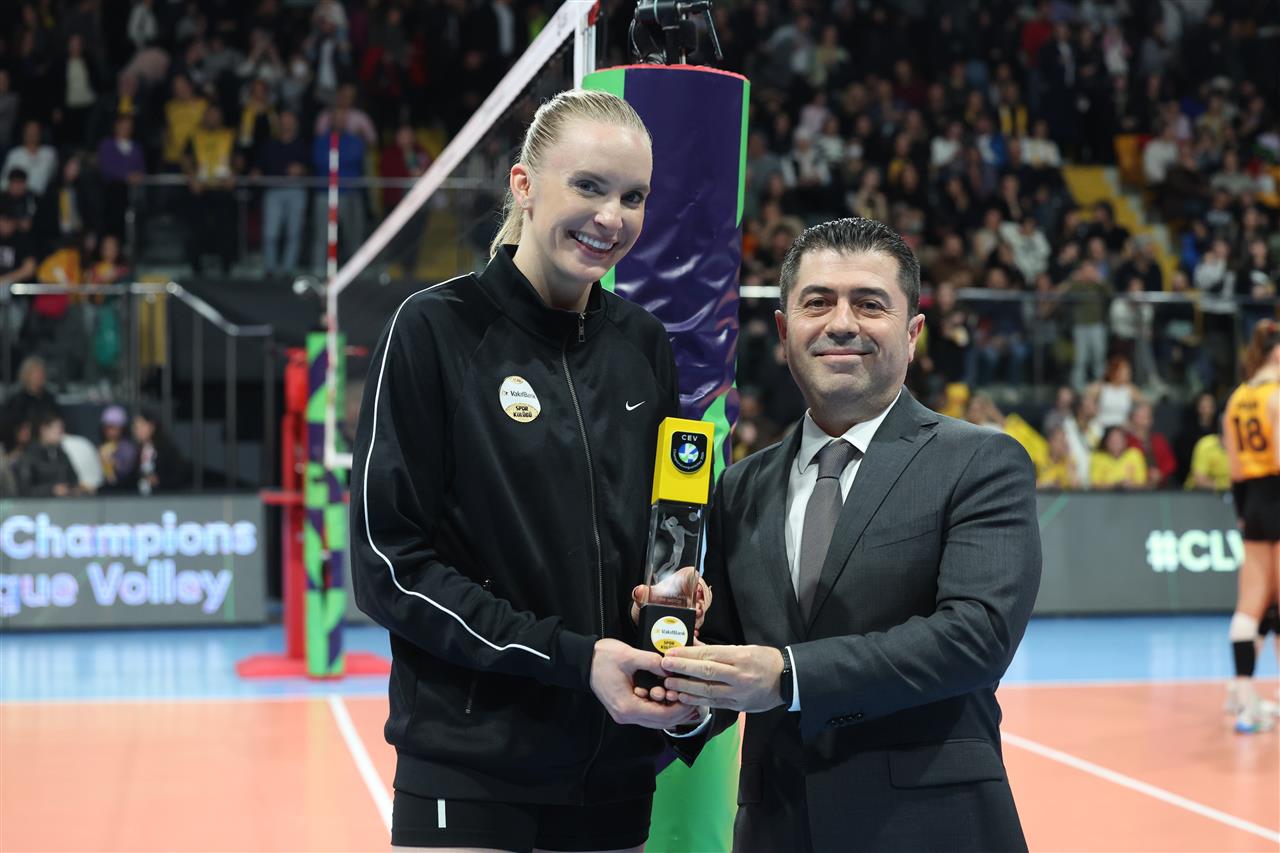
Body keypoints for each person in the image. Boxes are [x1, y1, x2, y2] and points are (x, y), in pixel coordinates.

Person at [348, 89, 702, 853]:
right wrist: (572, 658)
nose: (611, 217)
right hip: (471, 764)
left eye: (633, 197)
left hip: (612, 768)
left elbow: (661, 540)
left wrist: (676, 597)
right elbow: (390, 566)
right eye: (589, 186)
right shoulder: (434, 330)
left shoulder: (643, 345)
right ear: (524, 185)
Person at [649, 218, 1041, 852]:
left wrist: (788, 676)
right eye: (817, 302)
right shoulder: (740, 485)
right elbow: (728, 651)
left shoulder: (980, 462)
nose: (841, 323)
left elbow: (977, 636)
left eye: (869, 304)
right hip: (778, 829)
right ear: (784, 333)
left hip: (930, 830)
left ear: (913, 333)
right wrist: (685, 687)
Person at [1222, 321, 1280, 733]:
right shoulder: (1277, 396)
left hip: (1254, 502)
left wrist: (1244, 512)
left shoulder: (1238, 398)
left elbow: (1234, 468)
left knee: (1250, 605)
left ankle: (1243, 699)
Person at [1089, 425, 1147, 490]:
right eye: (1112, 440)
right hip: (1105, 496)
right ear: (1106, 442)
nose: (1115, 443)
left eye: (1118, 440)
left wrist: (1131, 485)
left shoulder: (1134, 454)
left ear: (1125, 441)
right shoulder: (1098, 457)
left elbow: (1143, 483)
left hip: (1133, 495)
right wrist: (1115, 486)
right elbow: (1094, 485)